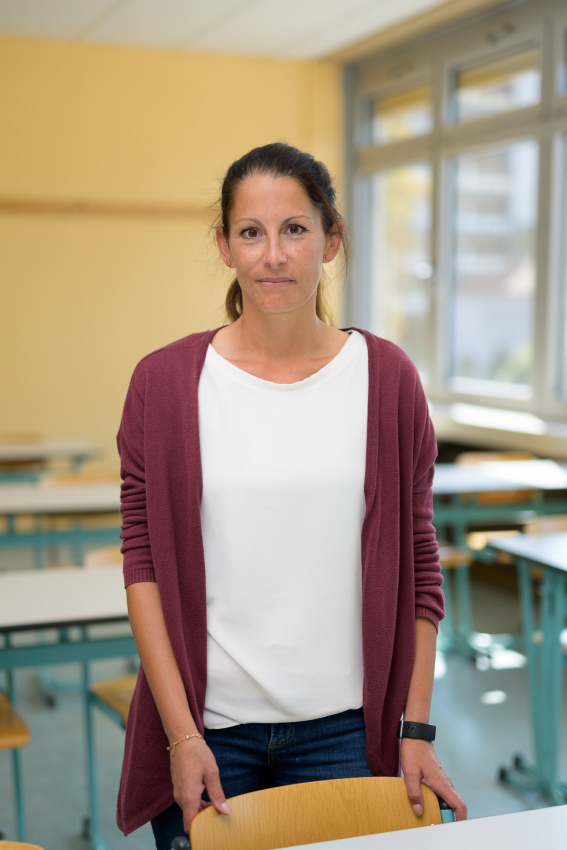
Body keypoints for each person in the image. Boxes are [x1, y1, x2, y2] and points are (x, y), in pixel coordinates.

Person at [115, 142, 467, 850]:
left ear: (331, 240)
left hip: (349, 733)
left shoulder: (386, 379)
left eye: (295, 229)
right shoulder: (163, 384)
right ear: (225, 246)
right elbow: (143, 565)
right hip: (210, 734)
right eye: (251, 232)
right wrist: (181, 736)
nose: (273, 255)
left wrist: (415, 727)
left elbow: (419, 563)